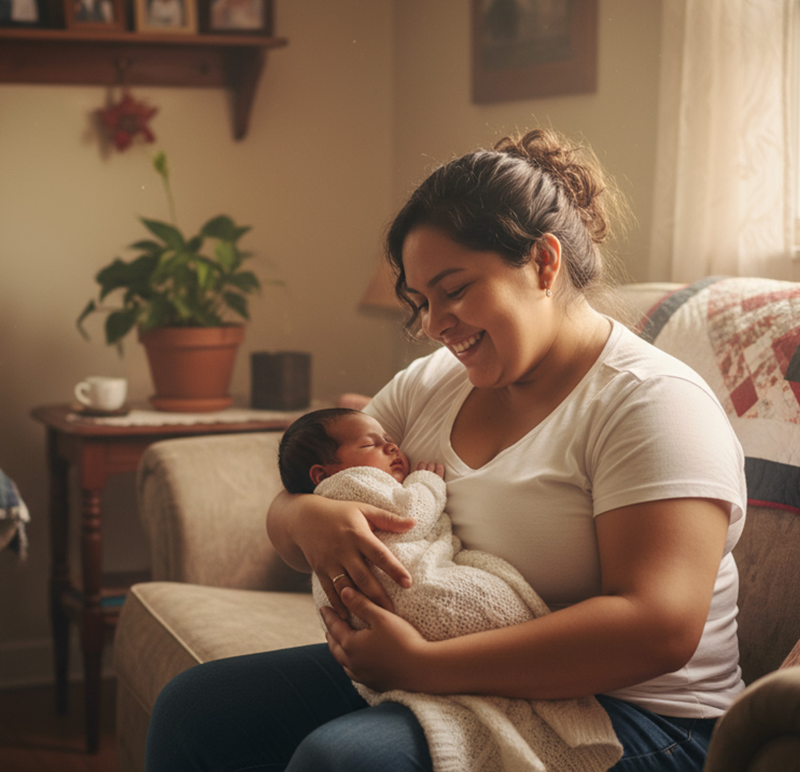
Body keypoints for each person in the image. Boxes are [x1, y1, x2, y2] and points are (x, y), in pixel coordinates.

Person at [145, 128, 747, 772]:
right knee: (194, 709)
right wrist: (306, 516)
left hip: (640, 717)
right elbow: (297, 502)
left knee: (347, 761)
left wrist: (424, 666)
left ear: (544, 264)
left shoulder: (650, 404)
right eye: (421, 301)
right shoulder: (432, 383)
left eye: (454, 290)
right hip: (449, 667)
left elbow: (658, 627)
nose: (433, 324)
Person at [278, 406, 623, 771]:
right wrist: (424, 483)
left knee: (339, 757)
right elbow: (409, 516)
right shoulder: (350, 485)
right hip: (400, 599)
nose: (392, 448)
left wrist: (418, 664)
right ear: (324, 473)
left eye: (389, 441)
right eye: (373, 444)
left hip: (456, 656)